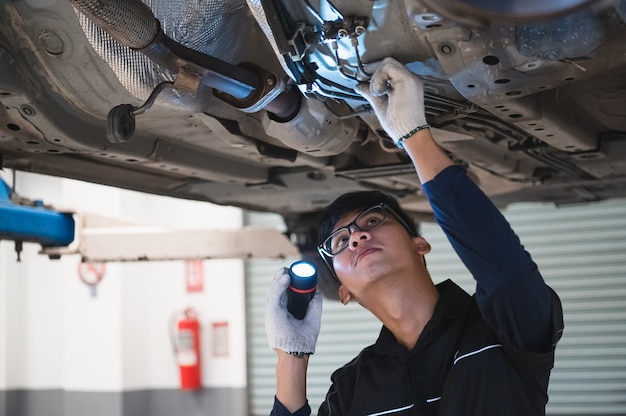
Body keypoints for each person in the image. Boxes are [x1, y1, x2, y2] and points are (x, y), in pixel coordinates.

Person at [264, 57, 564, 416]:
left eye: (372, 221)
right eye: (340, 242)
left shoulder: (499, 329)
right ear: (343, 291)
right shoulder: (351, 387)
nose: (357, 236)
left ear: (419, 244)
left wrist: (414, 136)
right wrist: (291, 358)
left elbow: (504, 267)